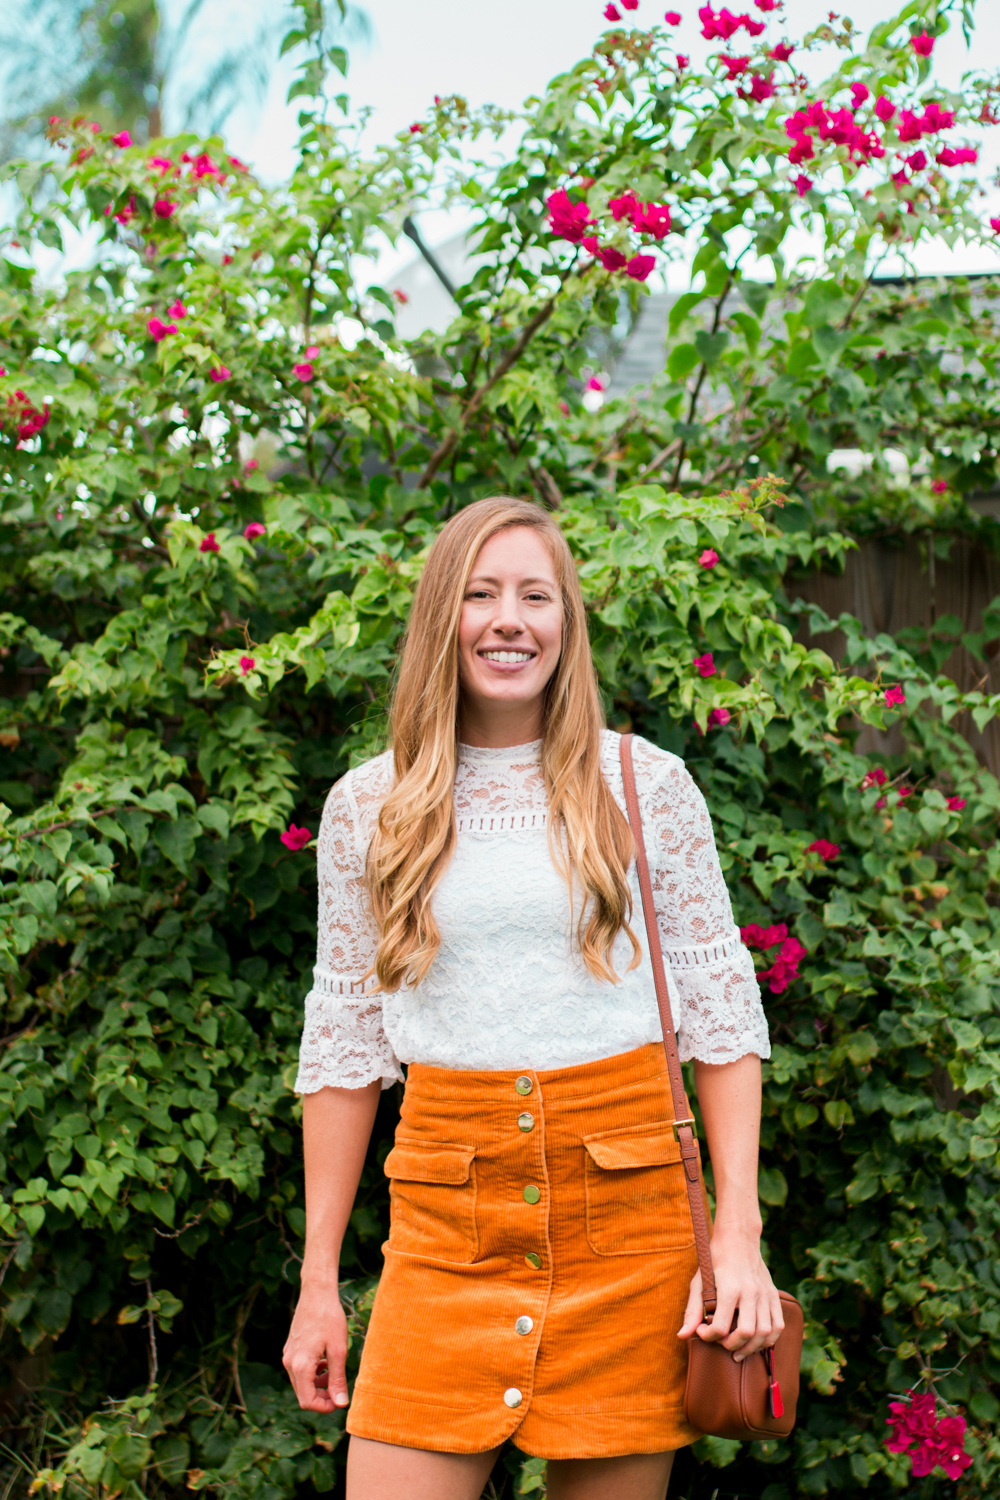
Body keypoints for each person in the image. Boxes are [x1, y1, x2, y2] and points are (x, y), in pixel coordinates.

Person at [282, 496, 781, 1500]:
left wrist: (738, 1235)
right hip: (442, 1221)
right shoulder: (364, 807)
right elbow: (344, 1048)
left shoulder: (645, 785)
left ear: (566, 624)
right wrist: (317, 1284)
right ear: (441, 620)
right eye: (480, 593)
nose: (509, 618)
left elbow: (721, 1019)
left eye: (534, 596)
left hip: (629, 1215)